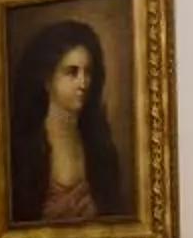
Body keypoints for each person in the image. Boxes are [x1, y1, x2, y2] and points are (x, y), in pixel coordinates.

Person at [9, 18, 128, 226]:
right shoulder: (27, 145)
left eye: (88, 72)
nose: (83, 83)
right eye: (71, 72)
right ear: (47, 80)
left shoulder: (97, 142)